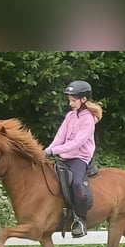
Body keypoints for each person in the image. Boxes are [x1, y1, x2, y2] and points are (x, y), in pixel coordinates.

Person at [43, 80, 103, 237]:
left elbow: (77, 143)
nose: (70, 103)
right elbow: (60, 137)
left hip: (80, 158)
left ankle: (81, 220)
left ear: (83, 99)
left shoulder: (88, 119)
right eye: (70, 100)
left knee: (76, 183)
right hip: (65, 156)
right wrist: (47, 150)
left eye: (73, 100)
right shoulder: (70, 116)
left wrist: (53, 150)